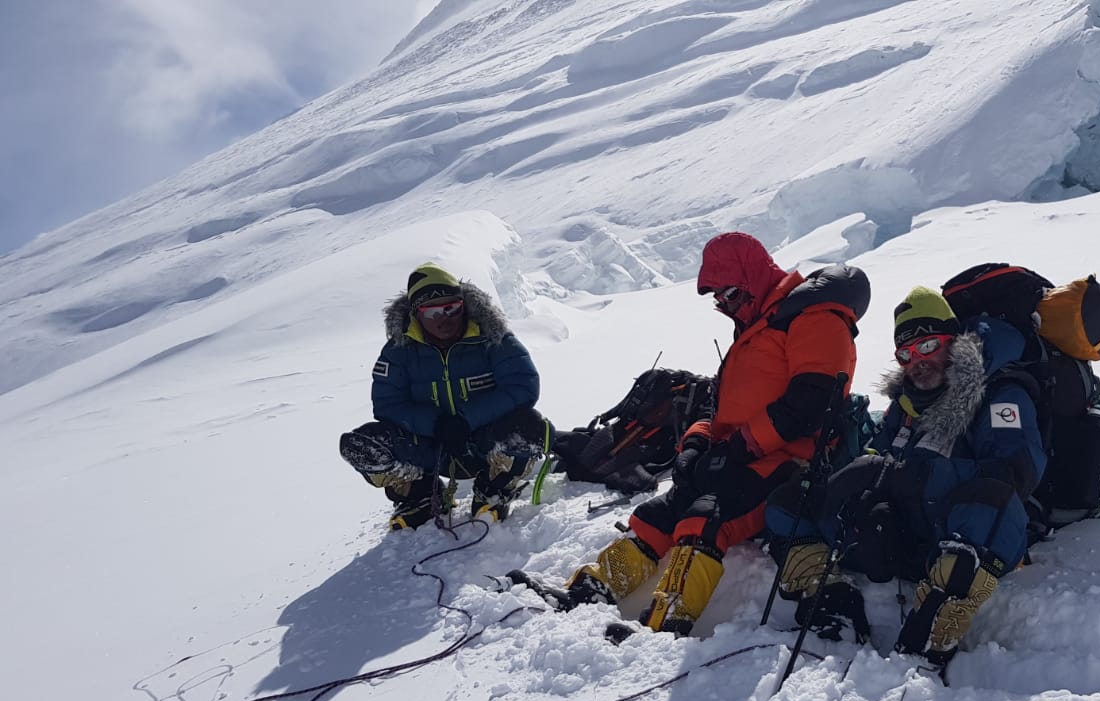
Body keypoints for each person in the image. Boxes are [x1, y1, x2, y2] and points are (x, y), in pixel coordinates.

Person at [553, 231, 867, 636]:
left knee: (706, 520)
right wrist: (697, 442)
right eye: (718, 297)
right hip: (735, 454)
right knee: (656, 515)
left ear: (754, 277)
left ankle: (668, 621)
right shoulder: (758, 324)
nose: (724, 304)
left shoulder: (814, 318)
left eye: (731, 293)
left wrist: (740, 447)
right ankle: (590, 589)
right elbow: (719, 404)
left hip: (787, 461)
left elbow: (811, 404)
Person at [764, 286, 1046, 666]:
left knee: (989, 500)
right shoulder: (905, 405)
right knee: (790, 502)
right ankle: (831, 600)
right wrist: (856, 477)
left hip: (953, 530)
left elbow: (1018, 470)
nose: (917, 361)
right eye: (906, 354)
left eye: (928, 346)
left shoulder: (998, 393)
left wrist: (916, 475)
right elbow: (878, 455)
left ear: (954, 341)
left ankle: (933, 626)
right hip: (895, 529)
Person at [338, 263, 547, 529]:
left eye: (451, 308)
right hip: (430, 447)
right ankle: (421, 494)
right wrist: (435, 424)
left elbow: (523, 386)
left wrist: (466, 419)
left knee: (529, 427)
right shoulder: (399, 350)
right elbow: (388, 405)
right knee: (363, 445)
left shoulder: (494, 338)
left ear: (464, 304)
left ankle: (494, 489)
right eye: (432, 311)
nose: (443, 317)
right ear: (416, 314)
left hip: (484, 441)